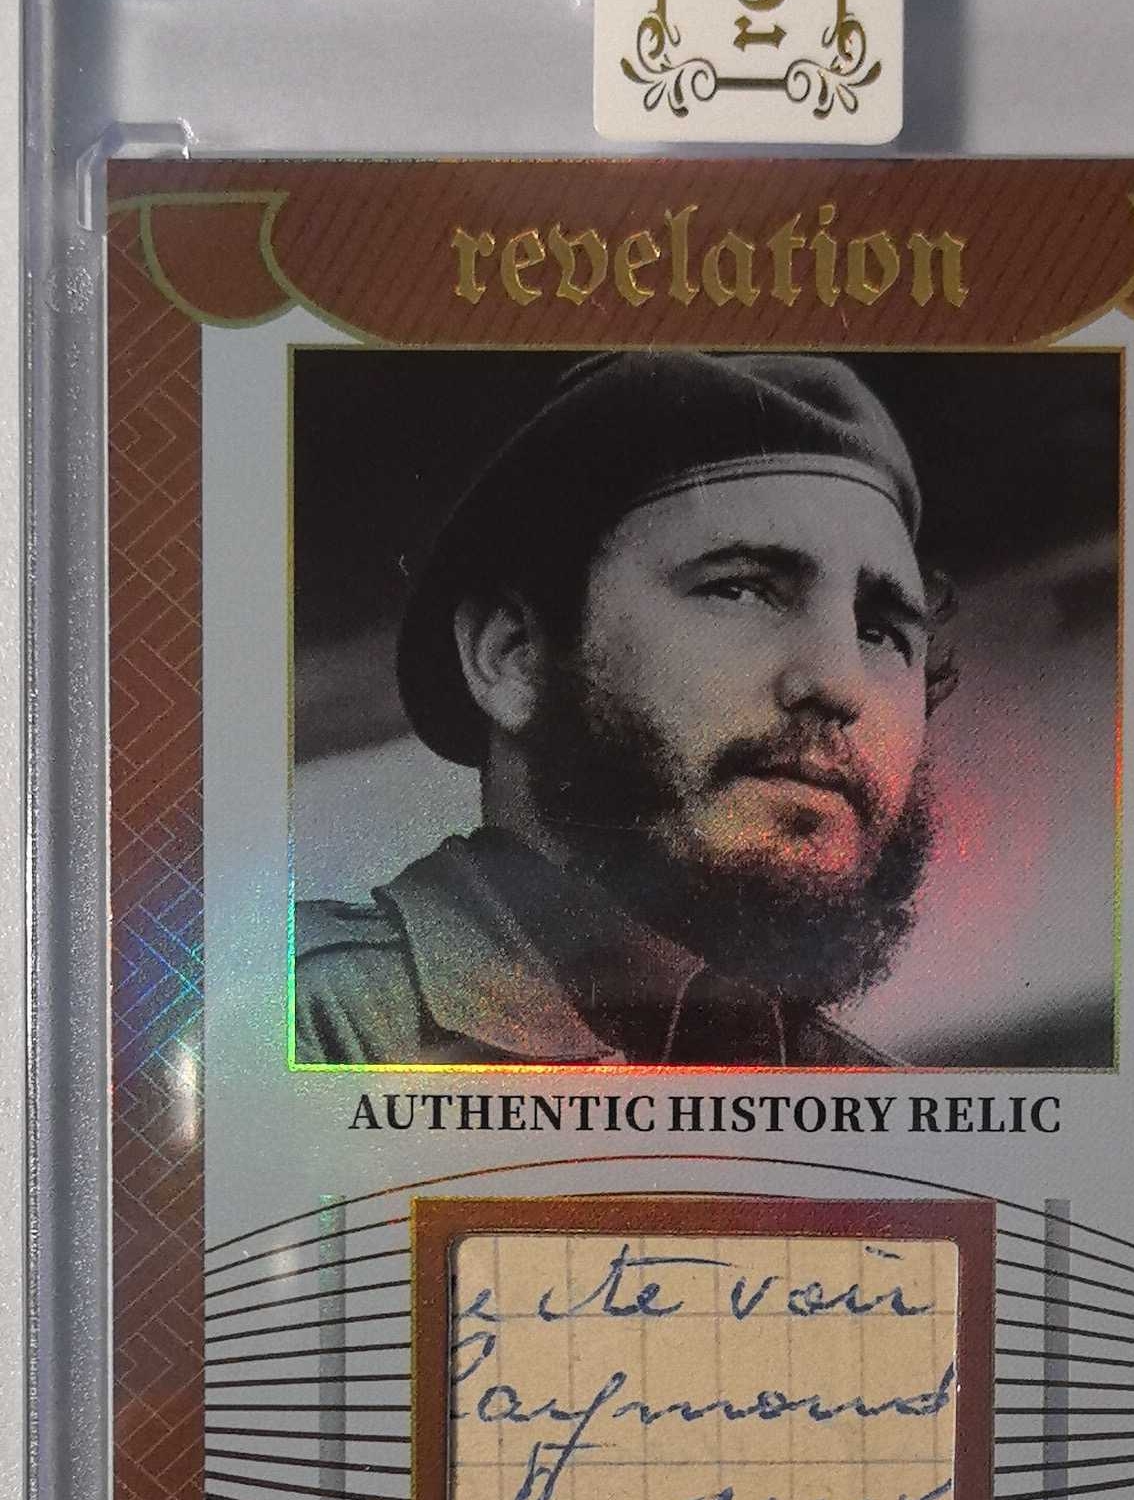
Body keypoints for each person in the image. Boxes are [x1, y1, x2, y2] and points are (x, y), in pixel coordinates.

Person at [294, 351, 958, 1066]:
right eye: (739, 589)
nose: (841, 684)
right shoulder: (296, 1020)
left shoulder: (873, 1094)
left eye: (881, 633)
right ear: (513, 655)